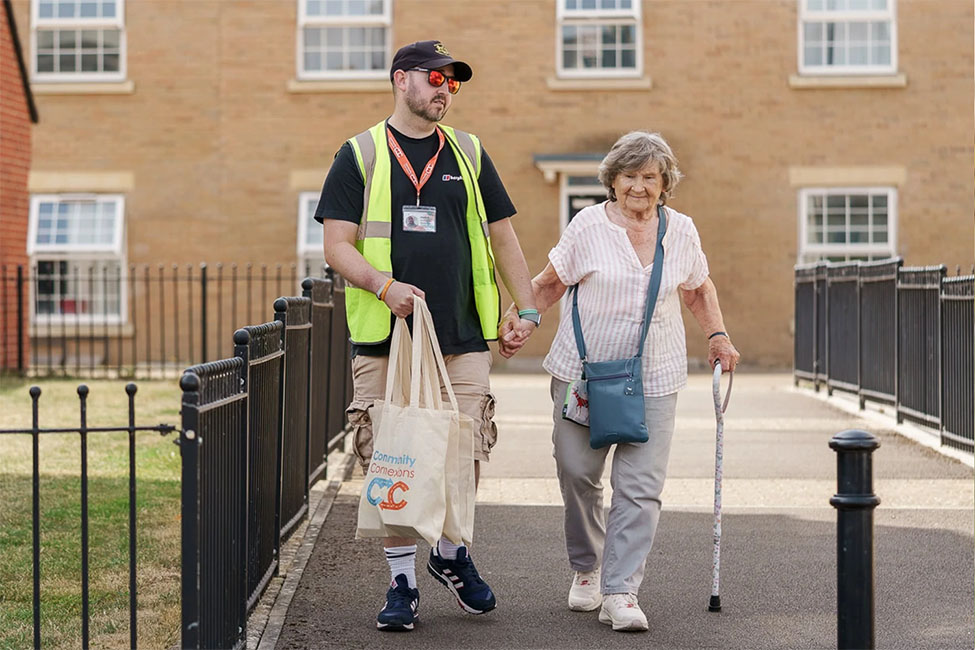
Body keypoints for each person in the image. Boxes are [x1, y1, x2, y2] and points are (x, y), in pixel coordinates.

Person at [316, 40, 538, 631]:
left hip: (462, 334)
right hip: (387, 336)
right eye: (435, 77)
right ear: (401, 80)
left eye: (453, 82)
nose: (445, 88)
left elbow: (503, 235)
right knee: (394, 455)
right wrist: (383, 286)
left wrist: (527, 309)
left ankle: (448, 553)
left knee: (460, 452)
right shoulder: (359, 154)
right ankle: (402, 582)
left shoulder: (467, 151)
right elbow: (337, 244)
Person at [499, 131, 739, 632]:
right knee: (577, 473)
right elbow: (549, 283)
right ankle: (587, 567)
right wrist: (523, 319)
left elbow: (697, 289)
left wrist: (717, 335)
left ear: (664, 183)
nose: (639, 186)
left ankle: (621, 589)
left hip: (656, 375)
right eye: (630, 176)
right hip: (583, 375)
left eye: (650, 177)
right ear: (612, 180)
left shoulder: (682, 231)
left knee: (640, 487)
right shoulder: (588, 225)